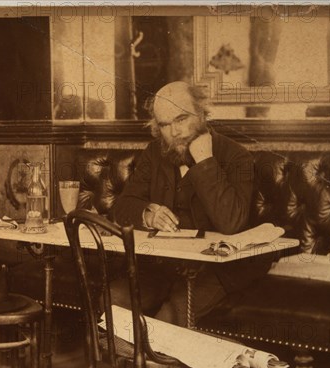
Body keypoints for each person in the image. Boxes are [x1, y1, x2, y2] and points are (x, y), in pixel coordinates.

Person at [110, 81, 272, 327]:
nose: (174, 132)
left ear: (202, 113)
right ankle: (133, 362)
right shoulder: (155, 153)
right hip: (163, 266)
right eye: (165, 124)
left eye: (182, 118)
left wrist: (205, 160)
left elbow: (231, 223)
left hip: (216, 270)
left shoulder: (236, 156)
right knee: (113, 301)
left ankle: (148, 363)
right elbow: (122, 206)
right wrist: (147, 214)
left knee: (169, 320)